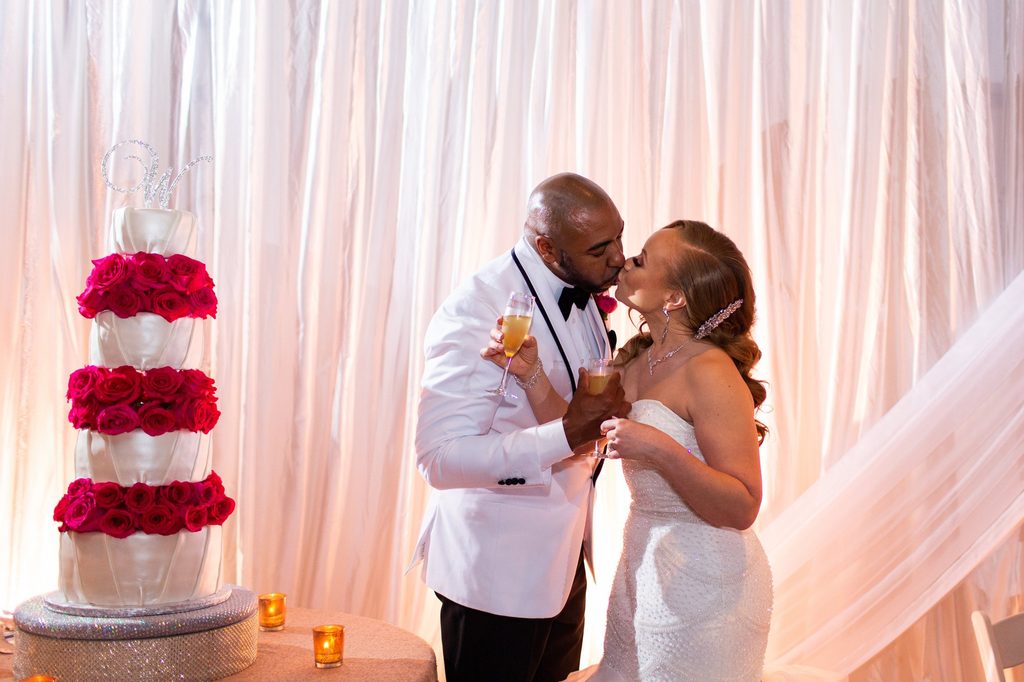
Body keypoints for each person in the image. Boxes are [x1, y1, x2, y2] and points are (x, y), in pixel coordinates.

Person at [483, 220, 773, 681]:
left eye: (640, 258)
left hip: (708, 586)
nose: (623, 261)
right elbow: (579, 432)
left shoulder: (711, 371)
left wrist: (658, 448)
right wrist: (529, 370)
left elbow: (742, 505)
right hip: (642, 570)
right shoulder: (636, 360)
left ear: (675, 298)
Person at [412, 172, 633, 682]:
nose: (619, 257)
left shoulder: (581, 284)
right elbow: (439, 458)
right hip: (496, 576)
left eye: (620, 236)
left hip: (564, 562)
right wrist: (566, 435)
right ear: (546, 247)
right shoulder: (477, 309)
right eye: (601, 248)